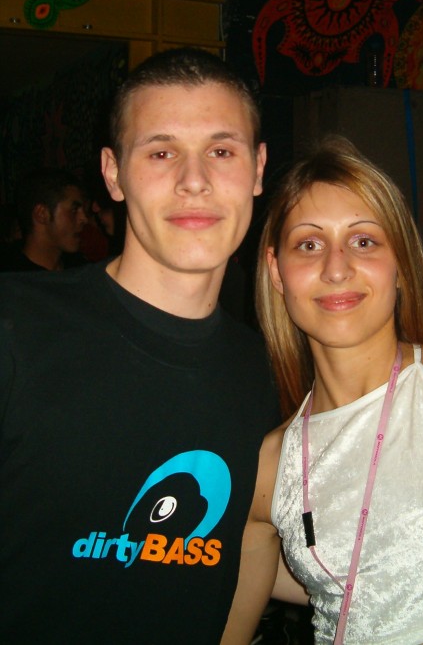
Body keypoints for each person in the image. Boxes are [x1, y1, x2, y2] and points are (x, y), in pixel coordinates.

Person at [222, 40, 423, 644]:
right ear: (277, 272)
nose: (336, 268)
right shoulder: (270, 466)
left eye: (364, 241)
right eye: (309, 244)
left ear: (400, 265)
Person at [0, 47, 280, 643]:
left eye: (221, 152)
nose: (194, 180)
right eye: (161, 152)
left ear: (258, 169)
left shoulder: (265, 372)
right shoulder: (14, 324)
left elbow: (247, 544)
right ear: (112, 173)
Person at [0, 167, 89, 272]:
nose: (84, 219)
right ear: (41, 214)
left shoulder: (82, 270)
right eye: (74, 210)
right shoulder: (11, 277)